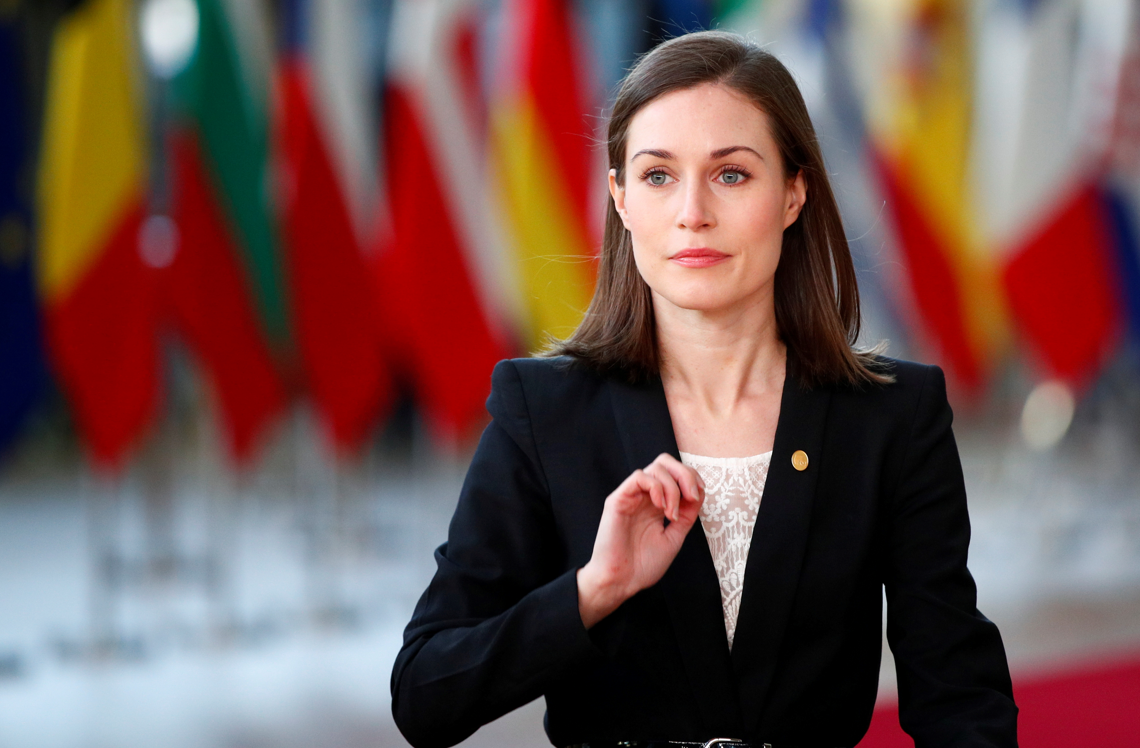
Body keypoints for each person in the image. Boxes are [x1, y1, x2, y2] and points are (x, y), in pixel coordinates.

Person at [391, 30, 1017, 748]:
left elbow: (960, 700)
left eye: (731, 174)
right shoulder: (541, 409)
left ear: (794, 193)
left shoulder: (893, 417)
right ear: (620, 199)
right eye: (658, 175)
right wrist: (594, 590)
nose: (693, 211)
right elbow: (425, 695)